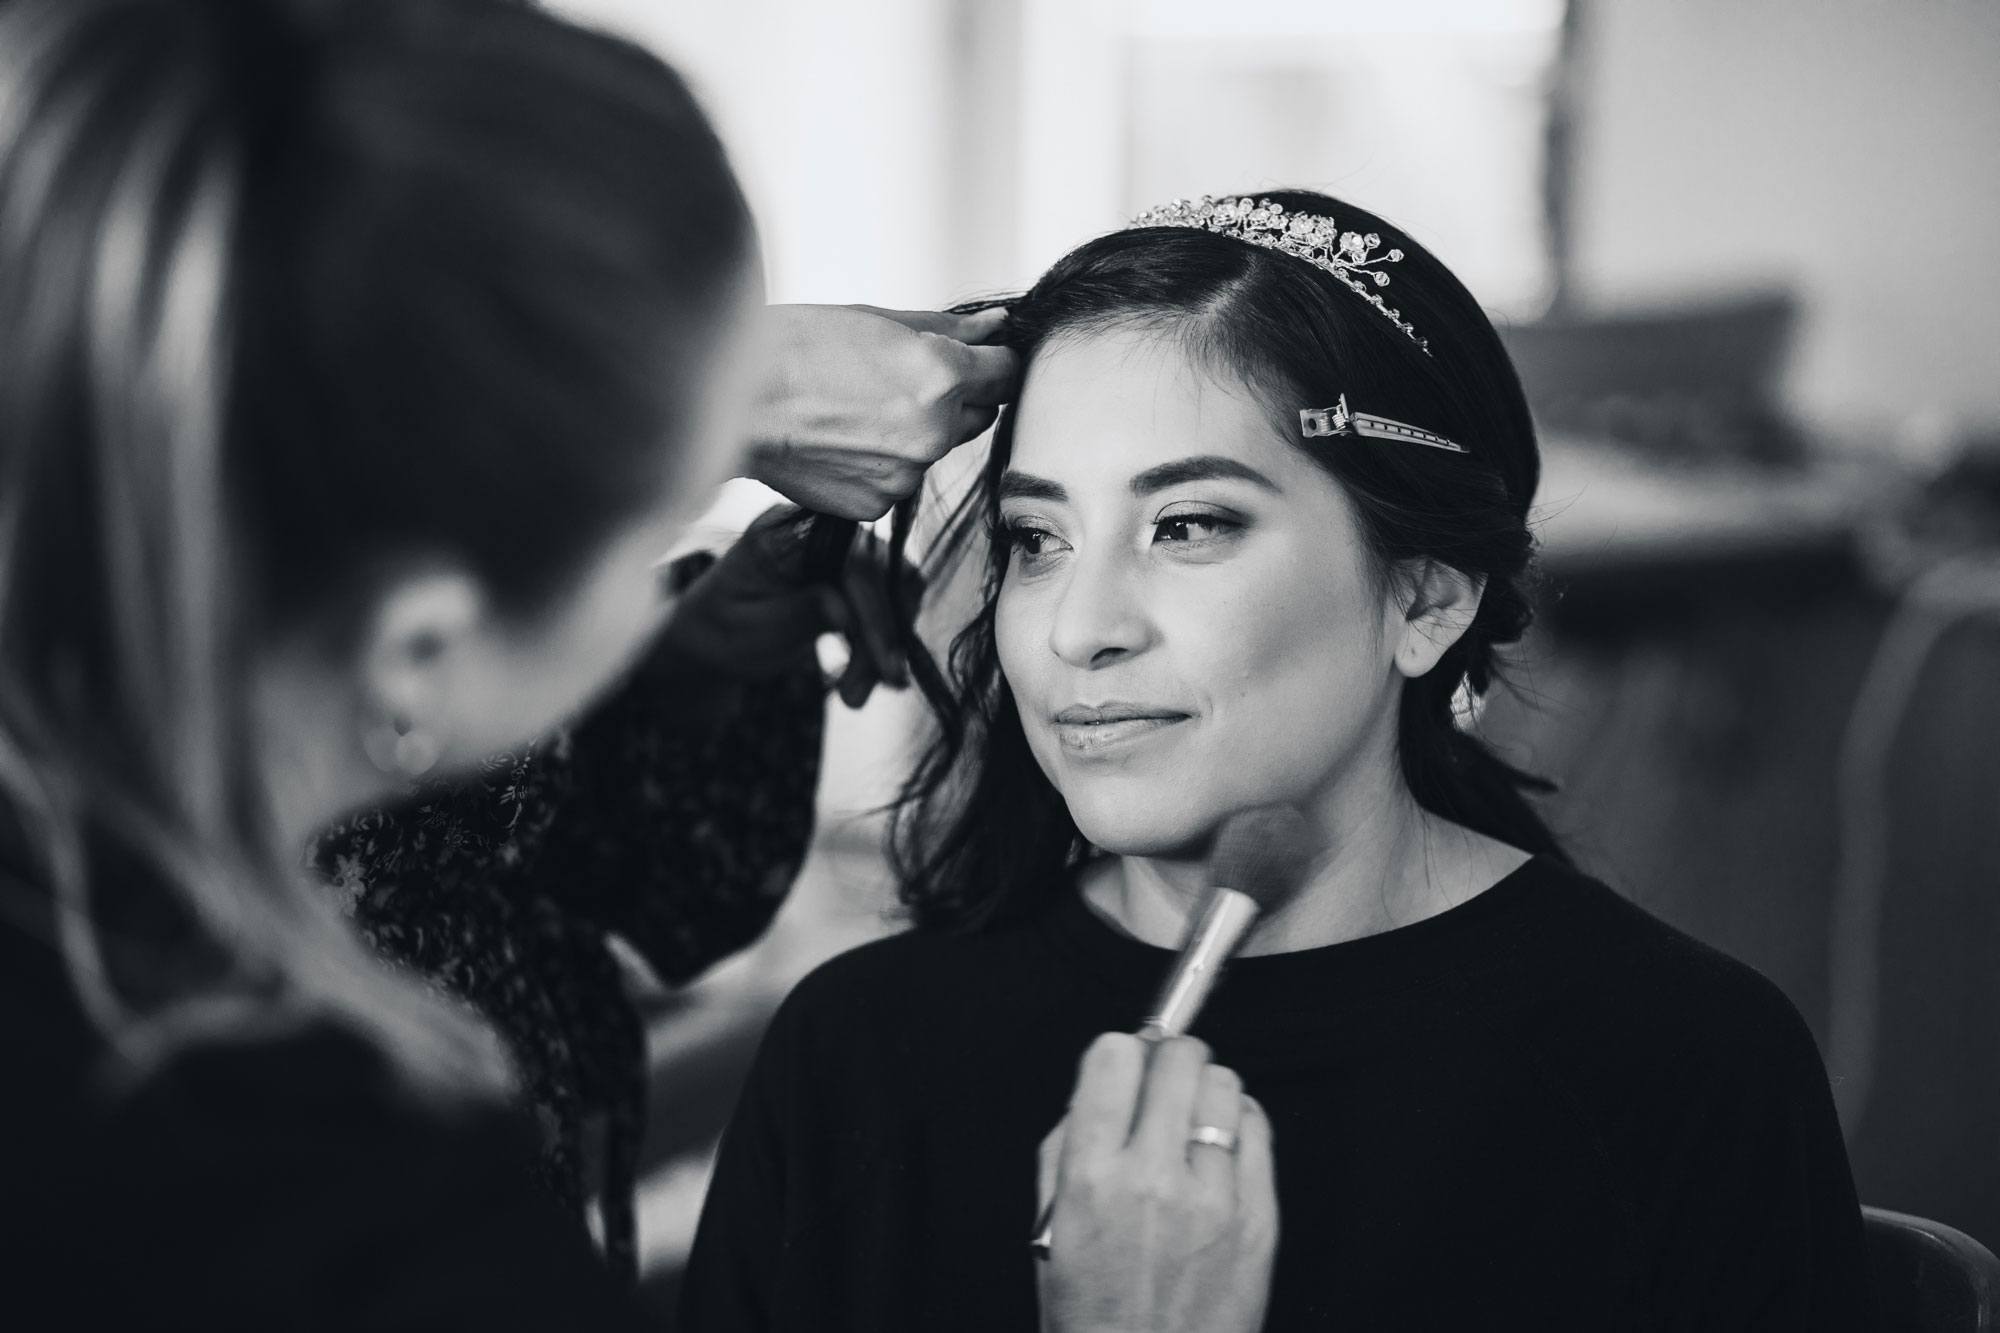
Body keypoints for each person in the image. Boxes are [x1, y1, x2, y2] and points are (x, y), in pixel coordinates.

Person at [0, 2, 1275, 1328]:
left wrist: (683, 664)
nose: (1081, 626)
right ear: (419, 654)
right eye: (669, 512)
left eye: (1188, 524)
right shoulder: (361, 1209)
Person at [679, 191, 1875, 1331]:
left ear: (1424, 595)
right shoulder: (857, 1056)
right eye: (1035, 538)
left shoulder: (1686, 1070)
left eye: (1187, 525)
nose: (1076, 626)